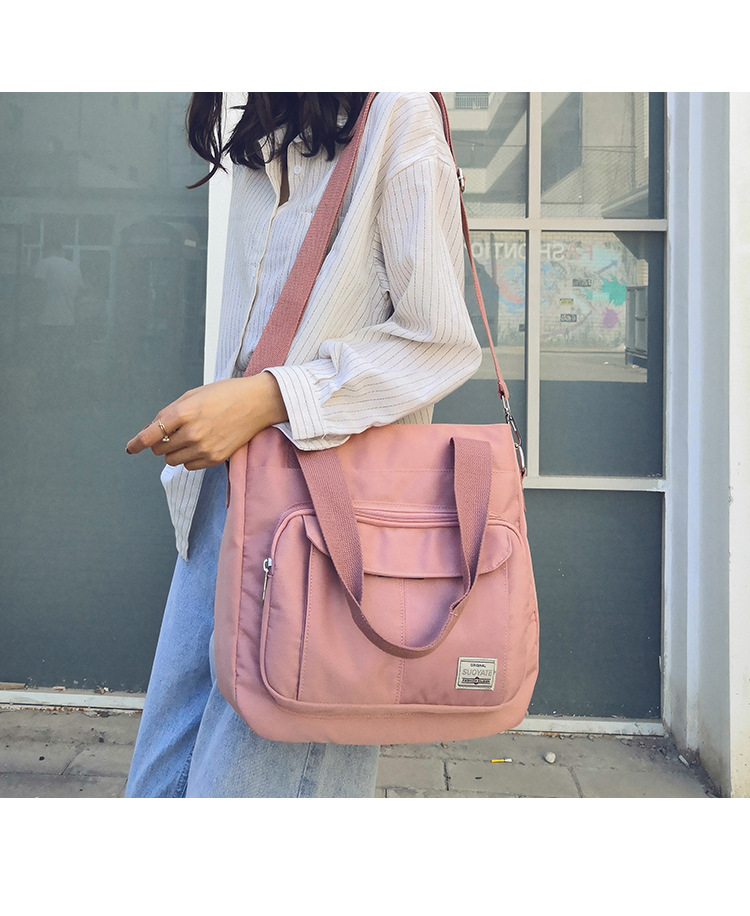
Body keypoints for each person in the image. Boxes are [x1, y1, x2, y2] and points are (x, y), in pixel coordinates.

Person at [123, 92, 482, 798]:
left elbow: (438, 340)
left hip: (330, 531)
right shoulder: (263, 130)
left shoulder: (401, 115)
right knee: (161, 786)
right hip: (224, 503)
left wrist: (267, 397)